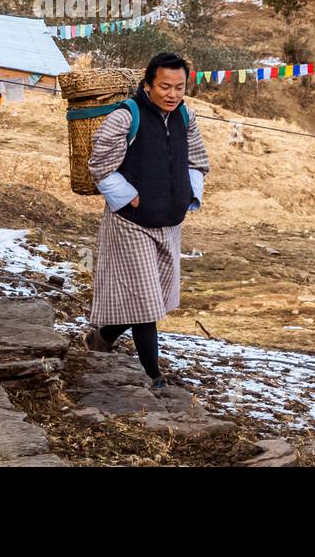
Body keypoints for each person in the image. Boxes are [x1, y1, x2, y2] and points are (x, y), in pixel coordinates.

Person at [84, 52, 210, 390]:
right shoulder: (126, 117)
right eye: (164, 87)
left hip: (168, 222)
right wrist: (128, 195)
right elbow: (99, 165)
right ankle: (154, 375)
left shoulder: (186, 117)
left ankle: (100, 338)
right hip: (131, 222)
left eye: (179, 87)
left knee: (150, 295)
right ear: (148, 84)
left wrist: (187, 194)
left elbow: (197, 160)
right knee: (144, 304)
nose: (172, 94)